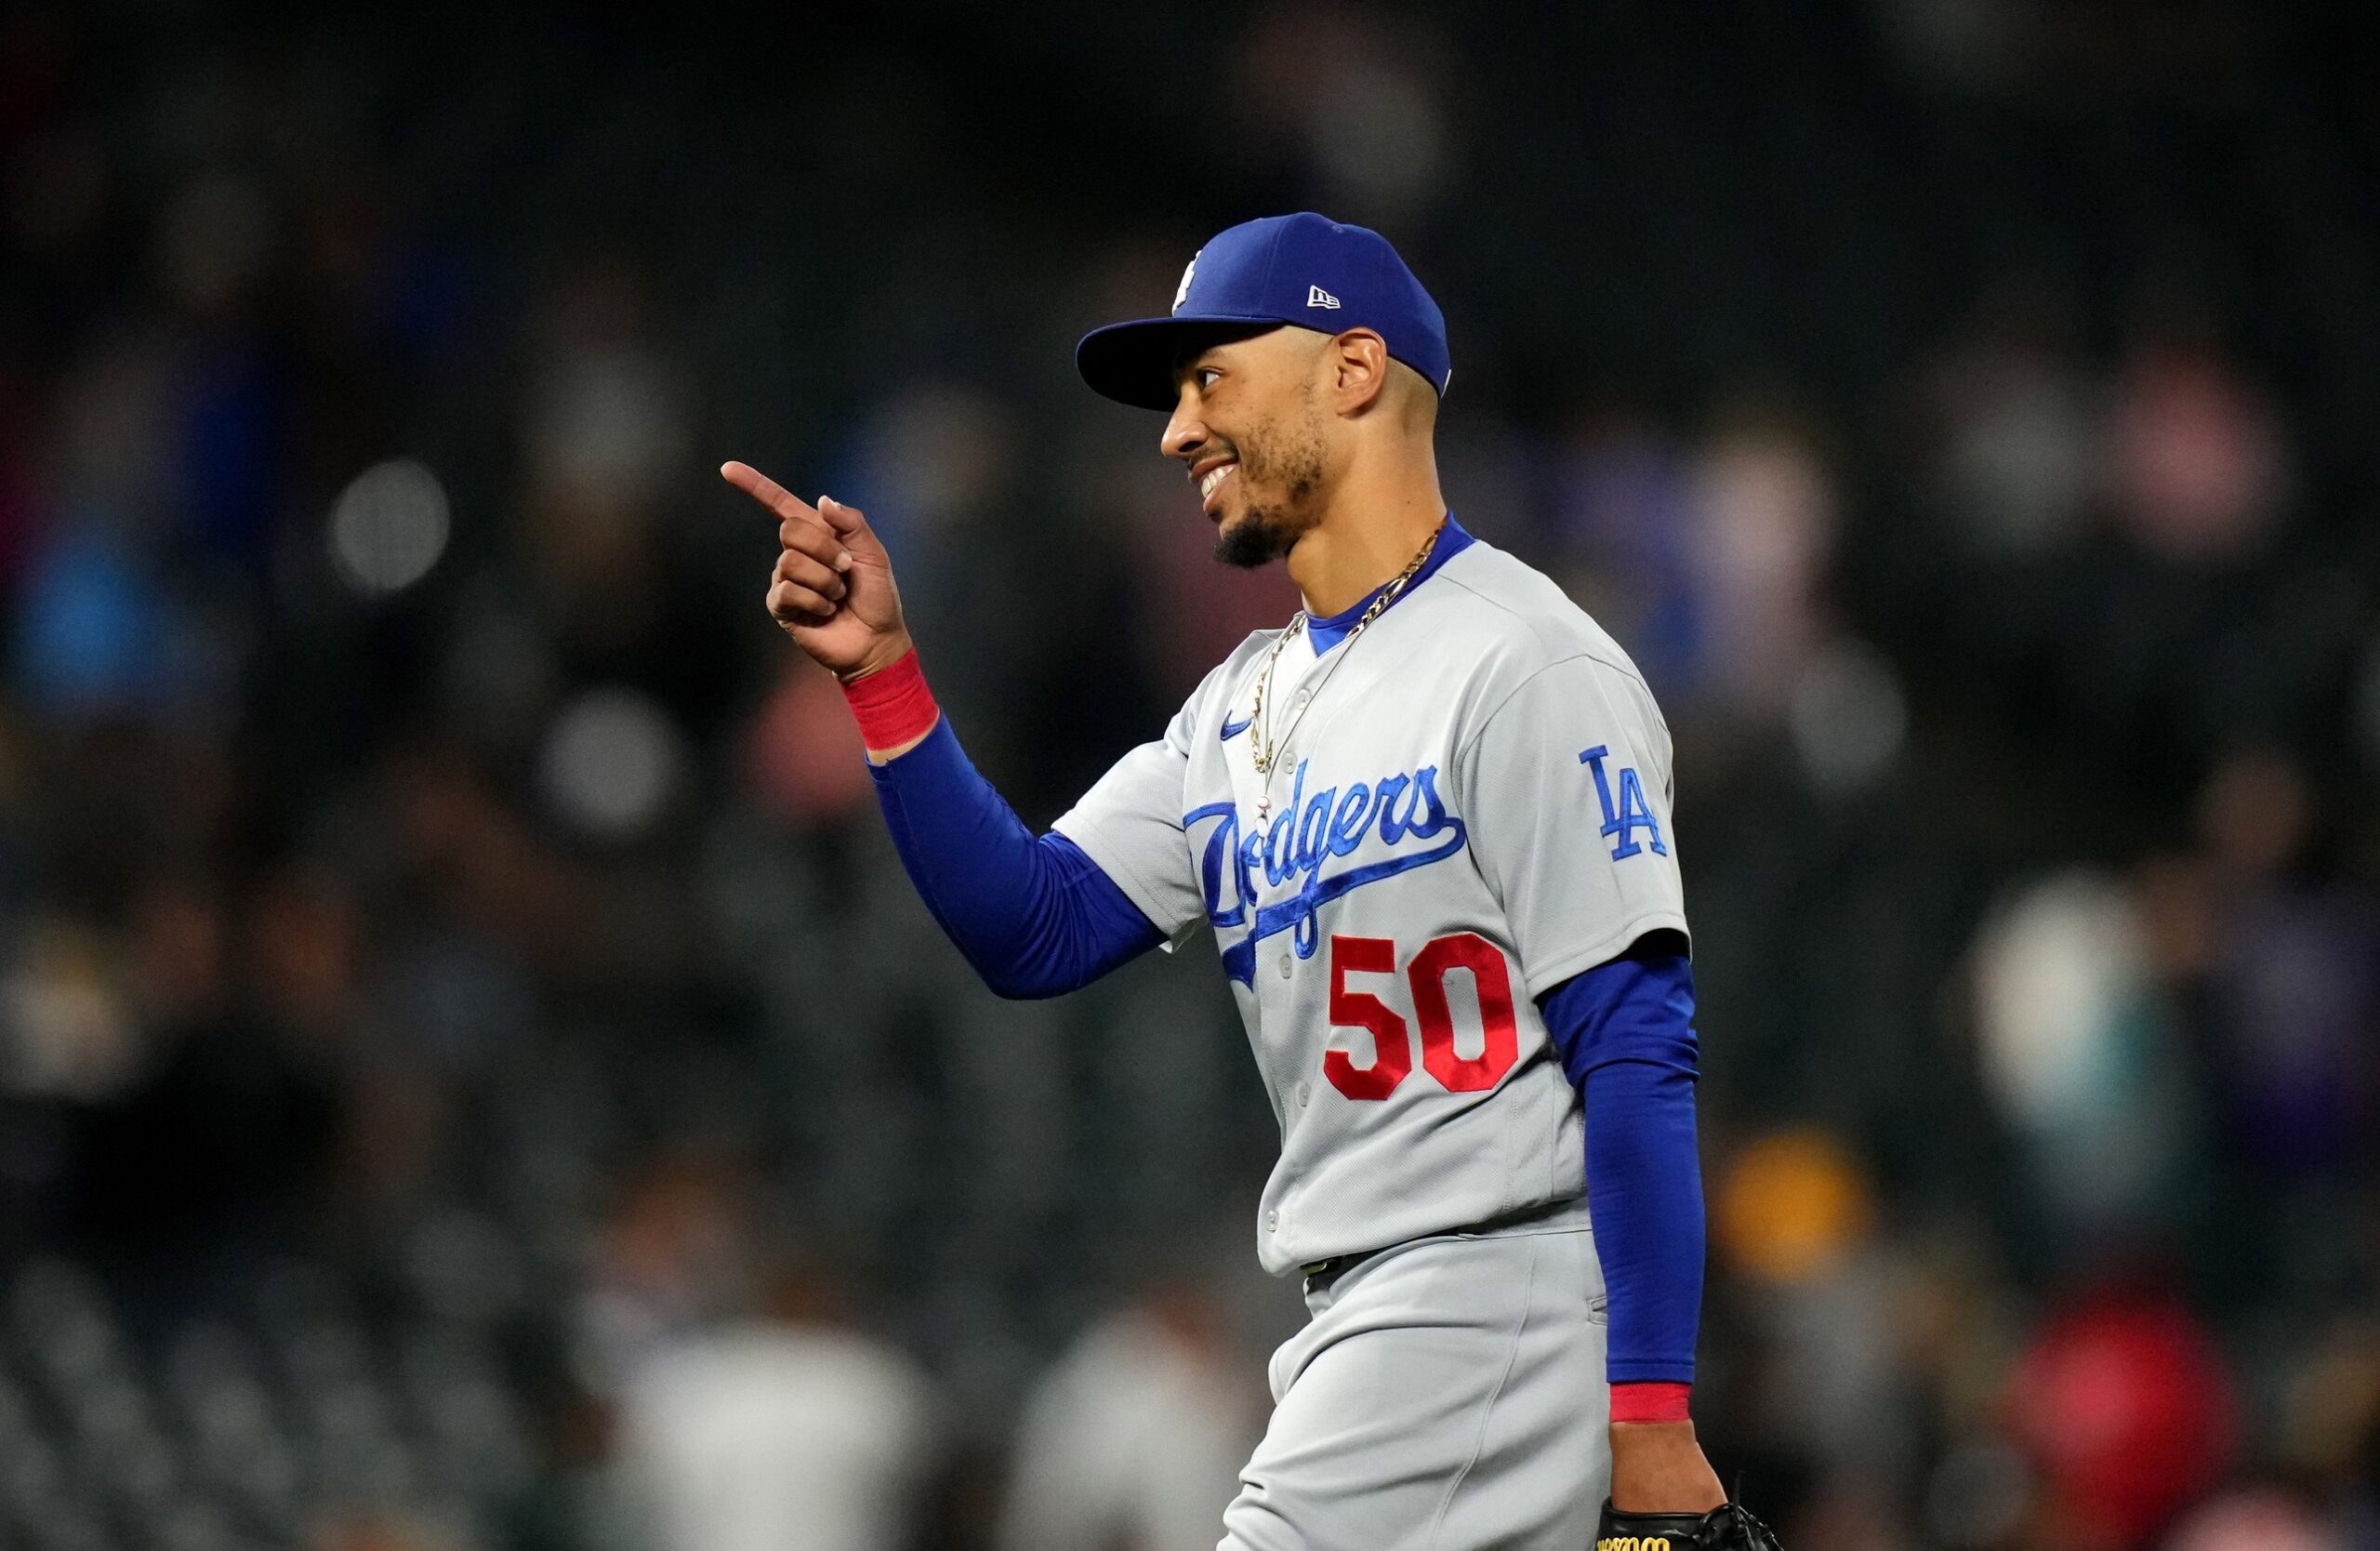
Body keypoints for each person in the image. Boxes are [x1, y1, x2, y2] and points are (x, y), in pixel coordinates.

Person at [723, 213, 1768, 1550]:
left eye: (1210, 376)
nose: (1174, 429)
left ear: (1349, 369)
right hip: (1366, 1317)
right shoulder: (1238, 710)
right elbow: (1033, 928)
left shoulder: (1526, 665)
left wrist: (1655, 1424)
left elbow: (1634, 1048)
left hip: (1490, 1292)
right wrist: (884, 678)